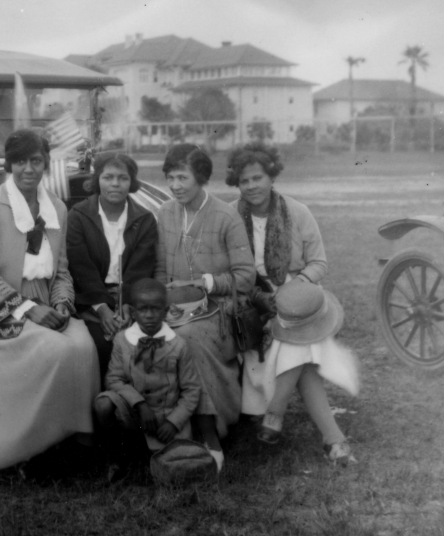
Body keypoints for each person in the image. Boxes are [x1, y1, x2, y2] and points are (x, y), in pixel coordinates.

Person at [0, 128, 99, 471]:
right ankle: (24, 448)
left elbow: (61, 270)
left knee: (83, 347)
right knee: (57, 350)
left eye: (36, 161)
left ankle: (75, 442)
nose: (28, 169)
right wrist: (28, 309)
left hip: (46, 304)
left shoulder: (58, 209)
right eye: (20, 161)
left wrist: (63, 305)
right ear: (9, 165)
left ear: (46, 164)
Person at [227, 141, 358, 464]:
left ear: (271, 176)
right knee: (304, 358)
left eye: (257, 177)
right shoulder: (229, 215)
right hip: (250, 297)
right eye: (244, 181)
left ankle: (276, 414)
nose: (252, 186)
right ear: (237, 184)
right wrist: (261, 296)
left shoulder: (297, 212)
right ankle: (332, 438)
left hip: (296, 294)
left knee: (297, 334)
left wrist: (295, 289)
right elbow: (226, 267)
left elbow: (319, 263)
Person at [152, 143, 255, 467]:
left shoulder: (226, 216)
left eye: (182, 177)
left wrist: (207, 283)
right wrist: (162, 302)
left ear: (201, 177)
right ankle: (172, 436)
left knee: (187, 340)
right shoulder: (166, 212)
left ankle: (209, 432)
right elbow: (159, 270)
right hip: (174, 309)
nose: (175, 185)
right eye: (170, 177)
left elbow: (246, 276)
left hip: (219, 309)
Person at [66, 151, 159, 381]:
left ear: (132, 182)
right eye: (108, 177)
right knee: (100, 345)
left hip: (130, 300)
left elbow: (141, 268)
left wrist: (128, 304)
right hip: (91, 301)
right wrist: (102, 308)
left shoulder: (144, 219)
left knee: (141, 344)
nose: (115, 184)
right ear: (97, 179)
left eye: (122, 178)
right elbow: (80, 267)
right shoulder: (79, 216)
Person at [93, 278, 203, 456]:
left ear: (166, 311)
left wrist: (174, 422)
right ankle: (117, 453)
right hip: (135, 412)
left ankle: (158, 449)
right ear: (134, 312)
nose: (149, 315)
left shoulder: (178, 345)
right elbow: (114, 379)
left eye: (155, 309)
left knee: (174, 466)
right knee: (103, 403)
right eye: (143, 309)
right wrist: (139, 404)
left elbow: (191, 390)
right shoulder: (122, 340)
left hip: (166, 416)